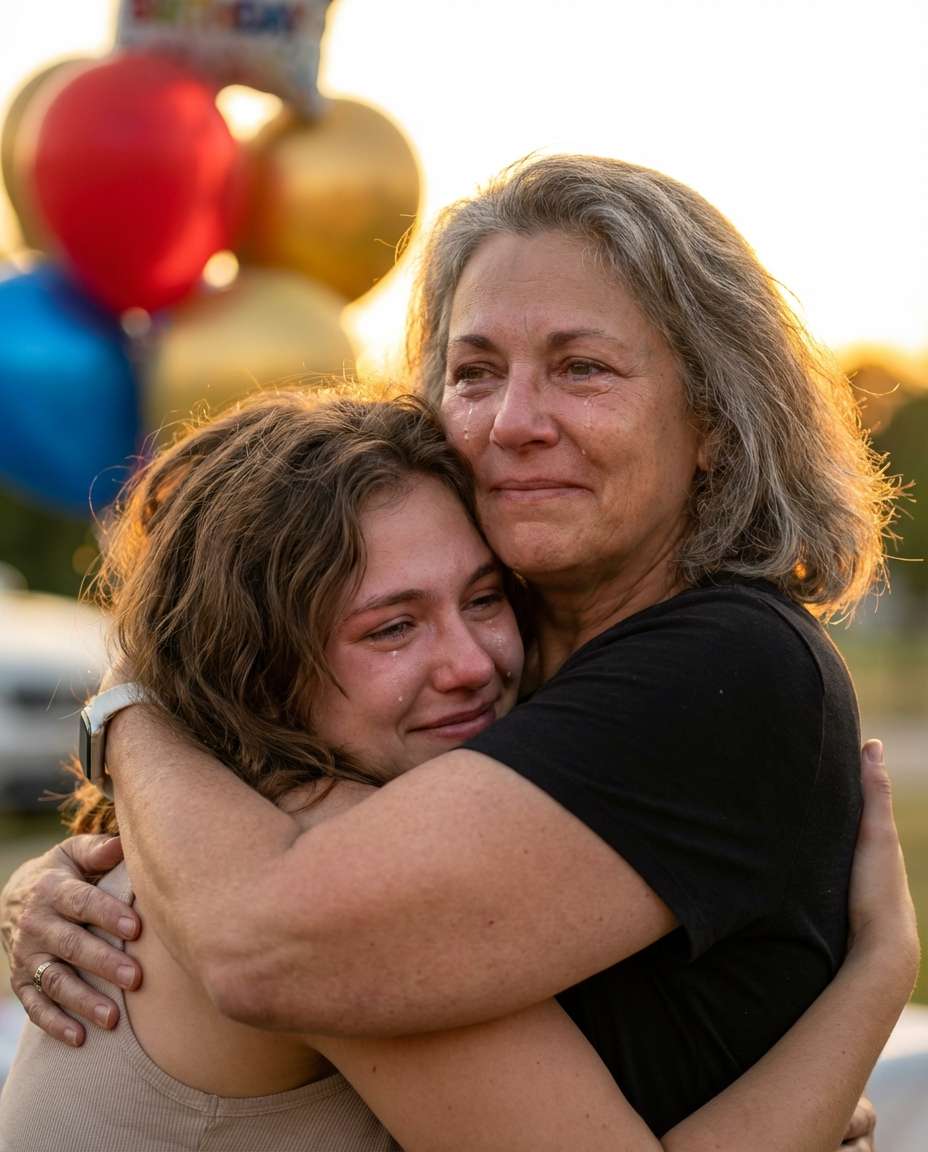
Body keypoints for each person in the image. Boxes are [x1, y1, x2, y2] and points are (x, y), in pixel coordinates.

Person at [2, 156, 920, 1145]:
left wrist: (134, 718)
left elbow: (271, 940)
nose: (514, 424)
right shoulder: (455, 715)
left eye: (582, 368)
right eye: (474, 373)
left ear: (715, 420)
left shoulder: (717, 667)